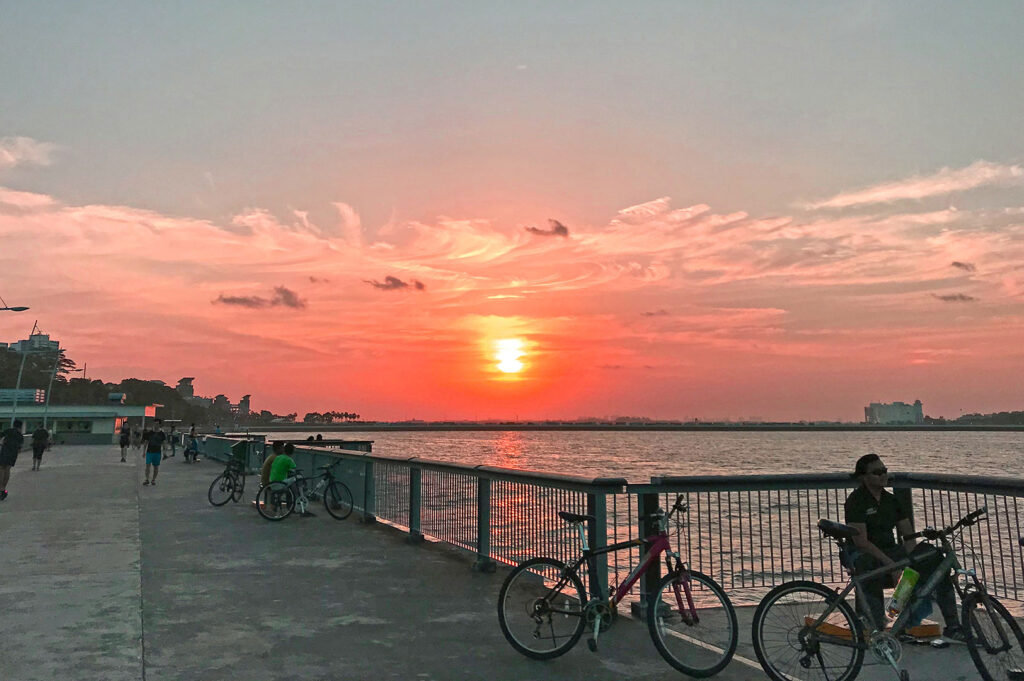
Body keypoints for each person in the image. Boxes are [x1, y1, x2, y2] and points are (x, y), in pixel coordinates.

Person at [844, 453, 965, 641]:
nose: (883, 475)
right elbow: (861, 542)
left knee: (934, 560)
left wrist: (910, 563)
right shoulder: (856, 501)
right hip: (863, 553)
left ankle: (953, 626)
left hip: (891, 550)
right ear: (864, 477)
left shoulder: (891, 500)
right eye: (877, 472)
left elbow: (908, 537)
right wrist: (893, 565)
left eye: (884, 471)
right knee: (869, 568)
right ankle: (874, 625)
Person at [269, 443, 313, 517]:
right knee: (299, 477)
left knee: (293, 482)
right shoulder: (289, 460)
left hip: (272, 482)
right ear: (292, 452)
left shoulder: (278, 457)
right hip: (280, 483)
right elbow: (294, 470)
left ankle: (296, 502)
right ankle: (301, 497)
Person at [0, 419, 25, 500]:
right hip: (13, 453)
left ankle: (0, 488)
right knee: (7, 469)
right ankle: (3, 488)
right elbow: (20, 448)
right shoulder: (20, 435)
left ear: (13, 424)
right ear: (20, 426)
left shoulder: (8, 431)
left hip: (5, 451)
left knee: (1, 468)